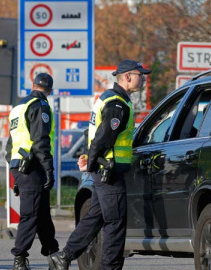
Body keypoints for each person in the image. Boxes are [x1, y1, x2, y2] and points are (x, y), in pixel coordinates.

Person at [49, 60, 151, 270]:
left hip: (104, 170)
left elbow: (96, 136)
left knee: (95, 216)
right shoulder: (117, 104)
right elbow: (103, 139)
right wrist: (92, 162)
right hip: (109, 172)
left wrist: (90, 160)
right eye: (140, 75)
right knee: (115, 223)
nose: (143, 78)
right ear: (127, 76)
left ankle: (64, 256)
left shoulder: (110, 98)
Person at [5, 73, 59, 270]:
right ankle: (19, 257)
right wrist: (49, 169)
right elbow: (40, 141)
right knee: (31, 213)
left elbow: (10, 143)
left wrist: (16, 172)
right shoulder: (40, 106)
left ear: (33, 86)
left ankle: (53, 253)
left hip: (19, 164)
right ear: (50, 91)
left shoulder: (18, 107)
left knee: (42, 212)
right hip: (33, 166)